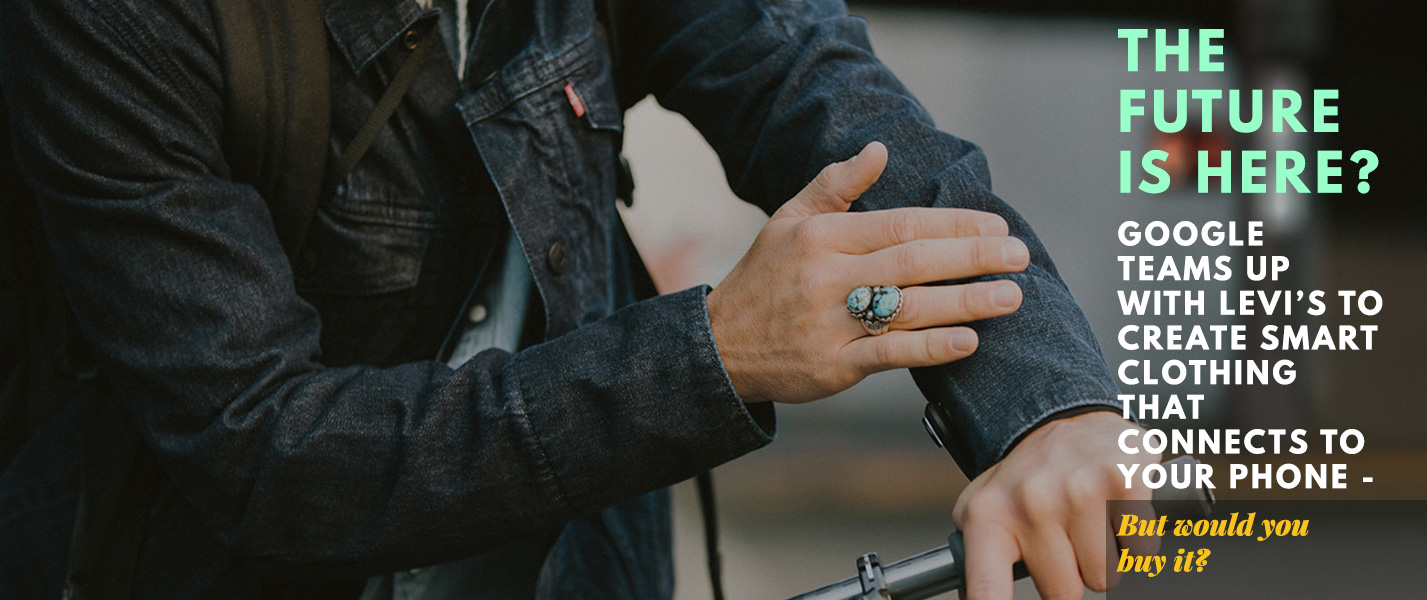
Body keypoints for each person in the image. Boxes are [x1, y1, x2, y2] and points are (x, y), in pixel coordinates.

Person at [0, 0, 1155, 598]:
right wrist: (712, 353)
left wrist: (1046, 408)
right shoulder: (114, 24)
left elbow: (819, 84)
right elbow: (264, 449)